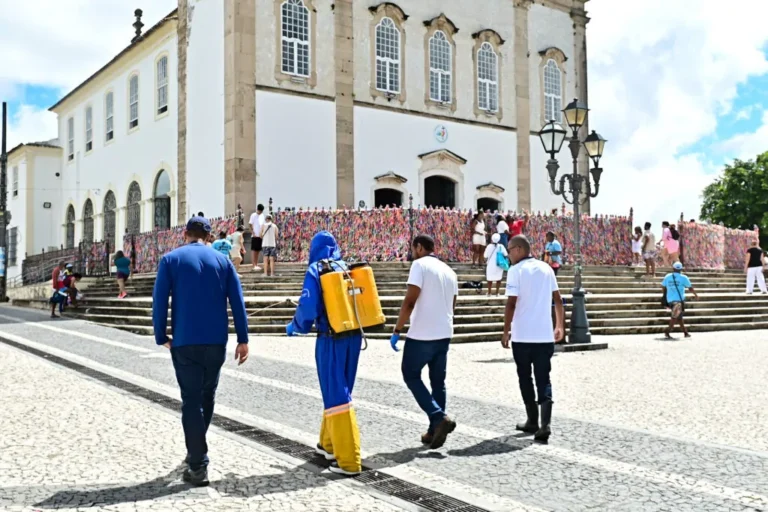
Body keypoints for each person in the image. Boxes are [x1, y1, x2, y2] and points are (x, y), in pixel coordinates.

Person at [152, 216, 250, 487]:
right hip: (216, 343)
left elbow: (159, 302)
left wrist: (161, 336)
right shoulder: (223, 261)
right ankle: (196, 449)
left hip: (184, 342)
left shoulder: (170, 260)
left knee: (191, 400)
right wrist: (243, 338)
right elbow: (238, 302)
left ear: (185, 234)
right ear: (208, 237)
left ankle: (197, 463)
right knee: (207, 396)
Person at [285, 231, 364, 476]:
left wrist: (295, 326)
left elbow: (308, 307)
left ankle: (349, 461)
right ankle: (328, 445)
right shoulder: (346, 267)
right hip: (353, 335)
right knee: (340, 388)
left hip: (330, 338)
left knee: (336, 393)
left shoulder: (316, 270)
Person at [391, 235, 459, 449]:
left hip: (422, 334)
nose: (412, 253)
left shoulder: (419, 266)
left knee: (410, 374)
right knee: (438, 381)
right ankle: (433, 431)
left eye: (413, 248)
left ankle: (438, 417)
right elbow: (453, 304)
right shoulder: (449, 271)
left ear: (419, 247)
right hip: (444, 332)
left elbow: (410, 300)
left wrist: (397, 329)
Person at [502, 235, 564, 443]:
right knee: (544, 379)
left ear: (519, 249)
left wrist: (505, 331)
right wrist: (559, 325)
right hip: (544, 335)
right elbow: (558, 300)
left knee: (525, 378)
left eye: (509, 250)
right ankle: (545, 424)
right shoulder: (547, 268)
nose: (508, 255)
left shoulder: (515, 271)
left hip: (522, 335)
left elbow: (511, 303)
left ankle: (532, 420)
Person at [661, 262, 699, 339]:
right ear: (681, 269)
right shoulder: (684, 278)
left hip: (670, 299)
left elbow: (663, 286)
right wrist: (696, 295)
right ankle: (667, 331)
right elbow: (690, 288)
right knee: (675, 317)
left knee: (679, 317)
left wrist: (665, 295)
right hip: (678, 300)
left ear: (673, 268)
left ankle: (685, 332)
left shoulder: (667, 276)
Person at [249, 204, 266, 271]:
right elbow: (250, 224)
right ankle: (254, 265)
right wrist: (253, 233)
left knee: (258, 250)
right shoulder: (253, 215)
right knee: (254, 250)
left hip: (260, 235)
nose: (260, 212)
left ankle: (256, 264)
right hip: (255, 235)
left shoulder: (262, 216)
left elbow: (263, 225)